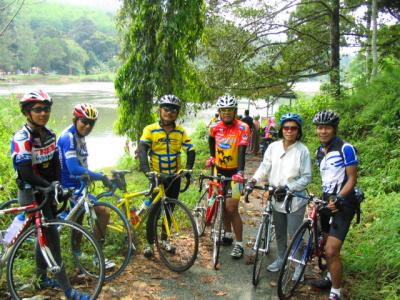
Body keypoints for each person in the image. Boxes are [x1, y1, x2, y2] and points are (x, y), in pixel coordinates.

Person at [10, 90, 88, 299]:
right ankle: (69, 290)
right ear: (27, 112)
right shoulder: (22, 137)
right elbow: (26, 172)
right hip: (30, 193)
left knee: (42, 234)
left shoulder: (50, 135)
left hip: (46, 191)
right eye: (38, 109)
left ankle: (41, 277)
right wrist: (49, 186)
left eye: (46, 109)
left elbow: (54, 164)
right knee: (51, 238)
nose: (43, 113)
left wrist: (57, 186)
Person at [248, 113, 311, 276]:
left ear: (298, 131)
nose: (289, 131)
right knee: (281, 231)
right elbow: (264, 166)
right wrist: (253, 180)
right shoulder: (273, 147)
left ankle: (299, 265)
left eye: (293, 128)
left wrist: (289, 186)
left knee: (294, 232)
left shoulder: (302, 150)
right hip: (276, 196)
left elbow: (306, 176)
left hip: (295, 199)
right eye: (286, 128)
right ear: (281, 129)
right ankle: (281, 258)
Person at [57, 103, 115, 270]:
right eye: (84, 121)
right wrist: (100, 176)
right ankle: (95, 258)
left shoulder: (79, 136)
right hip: (69, 187)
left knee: (79, 221)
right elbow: (74, 168)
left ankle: (77, 256)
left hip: (79, 186)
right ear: (75, 119)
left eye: (91, 123)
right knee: (102, 213)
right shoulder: (69, 137)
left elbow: (81, 163)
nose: (88, 126)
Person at [138, 94, 195, 258]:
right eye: (166, 109)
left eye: (173, 110)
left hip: (174, 178)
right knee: (154, 212)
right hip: (157, 177)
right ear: (160, 110)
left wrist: (189, 168)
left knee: (169, 210)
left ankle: (164, 240)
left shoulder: (180, 131)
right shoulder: (150, 129)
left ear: (177, 113)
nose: (169, 113)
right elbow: (143, 150)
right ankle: (149, 244)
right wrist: (148, 172)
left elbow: (190, 149)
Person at [311, 110, 358, 300]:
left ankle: (336, 292)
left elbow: (352, 179)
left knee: (331, 250)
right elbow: (326, 179)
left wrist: (338, 198)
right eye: (320, 128)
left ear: (334, 129)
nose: (323, 131)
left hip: (343, 203)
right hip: (326, 201)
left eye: (327, 127)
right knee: (325, 246)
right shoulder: (319, 152)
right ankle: (330, 276)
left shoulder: (346, 148)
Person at [207, 95, 250, 259]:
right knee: (222, 205)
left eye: (229, 110)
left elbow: (242, 150)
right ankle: (227, 233)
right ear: (219, 111)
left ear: (235, 111)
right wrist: (212, 157)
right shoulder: (214, 126)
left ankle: (239, 244)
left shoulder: (243, 127)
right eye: (223, 110)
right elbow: (211, 140)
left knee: (232, 208)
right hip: (219, 171)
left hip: (234, 173)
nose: (226, 113)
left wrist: (240, 171)